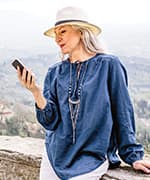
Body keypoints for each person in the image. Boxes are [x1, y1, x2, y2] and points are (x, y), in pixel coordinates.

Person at [16, 6, 150, 180]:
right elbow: (50, 122)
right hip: (55, 157)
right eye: (55, 34)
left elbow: (122, 113)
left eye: (62, 31)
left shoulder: (109, 66)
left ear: (81, 32)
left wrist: (133, 157)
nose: (57, 39)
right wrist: (35, 92)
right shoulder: (54, 72)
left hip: (92, 158)